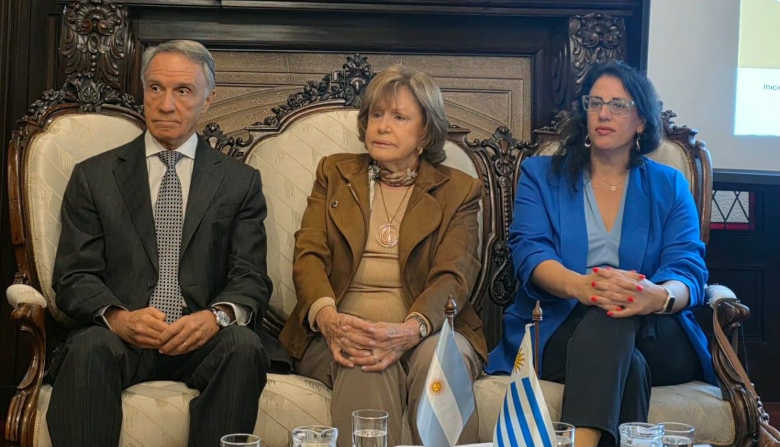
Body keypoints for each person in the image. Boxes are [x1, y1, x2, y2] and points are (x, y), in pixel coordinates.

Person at [47, 40, 273, 447]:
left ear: (208, 99)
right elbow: (74, 276)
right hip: (119, 338)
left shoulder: (239, 183)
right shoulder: (94, 177)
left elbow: (250, 276)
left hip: (200, 337)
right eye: (156, 88)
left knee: (243, 346)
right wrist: (119, 318)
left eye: (183, 91)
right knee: (88, 347)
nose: (166, 105)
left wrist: (215, 317)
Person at [486, 61, 717, 447]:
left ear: (641, 121)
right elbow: (530, 252)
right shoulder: (541, 176)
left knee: (613, 320)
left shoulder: (669, 185)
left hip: (657, 331)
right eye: (595, 103)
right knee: (622, 351)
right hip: (559, 326)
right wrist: (583, 287)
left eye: (618, 105)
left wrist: (656, 297)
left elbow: (688, 267)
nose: (604, 113)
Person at [279, 64, 486, 447]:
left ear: (425, 132)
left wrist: (409, 330)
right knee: (364, 360)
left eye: (399, 117)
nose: (383, 126)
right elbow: (308, 255)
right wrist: (329, 319)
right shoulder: (334, 172)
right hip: (340, 331)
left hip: (428, 330)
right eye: (376, 115)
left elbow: (454, 276)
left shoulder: (458, 190)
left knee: (441, 361)